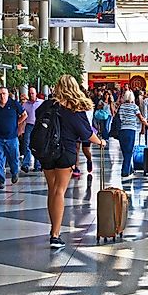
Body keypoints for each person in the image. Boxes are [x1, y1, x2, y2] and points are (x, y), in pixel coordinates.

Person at [42, 75, 106, 250]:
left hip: (46, 152)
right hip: (65, 151)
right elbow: (86, 133)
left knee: (52, 190)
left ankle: (53, 230)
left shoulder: (48, 105)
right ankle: (55, 235)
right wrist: (100, 142)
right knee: (59, 191)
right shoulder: (75, 109)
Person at [0, 87, 27, 190]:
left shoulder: (14, 104)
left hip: (12, 137)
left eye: (4, 93)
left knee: (13, 158)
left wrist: (16, 123)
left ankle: (14, 172)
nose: (2, 96)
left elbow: (24, 115)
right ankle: (0, 180)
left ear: (8, 94)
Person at [117, 90, 148, 179]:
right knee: (129, 151)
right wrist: (147, 126)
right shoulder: (134, 107)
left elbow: (119, 117)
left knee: (124, 151)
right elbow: (141, 119)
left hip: (122, 130)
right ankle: (125, 171)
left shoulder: (121, 107)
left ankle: (129, 168)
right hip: (131, 130)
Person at [21, 87, 45, 173]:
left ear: (36, 94)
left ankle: (38, 165)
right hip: (29, 125)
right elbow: (22, 116)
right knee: (27, 144)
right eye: (30, 93)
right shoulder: (25, 104)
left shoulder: (41, 103)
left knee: (38, 145)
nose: (31, 95)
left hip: (38, 125)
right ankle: (26, 164)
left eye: (33, 93)